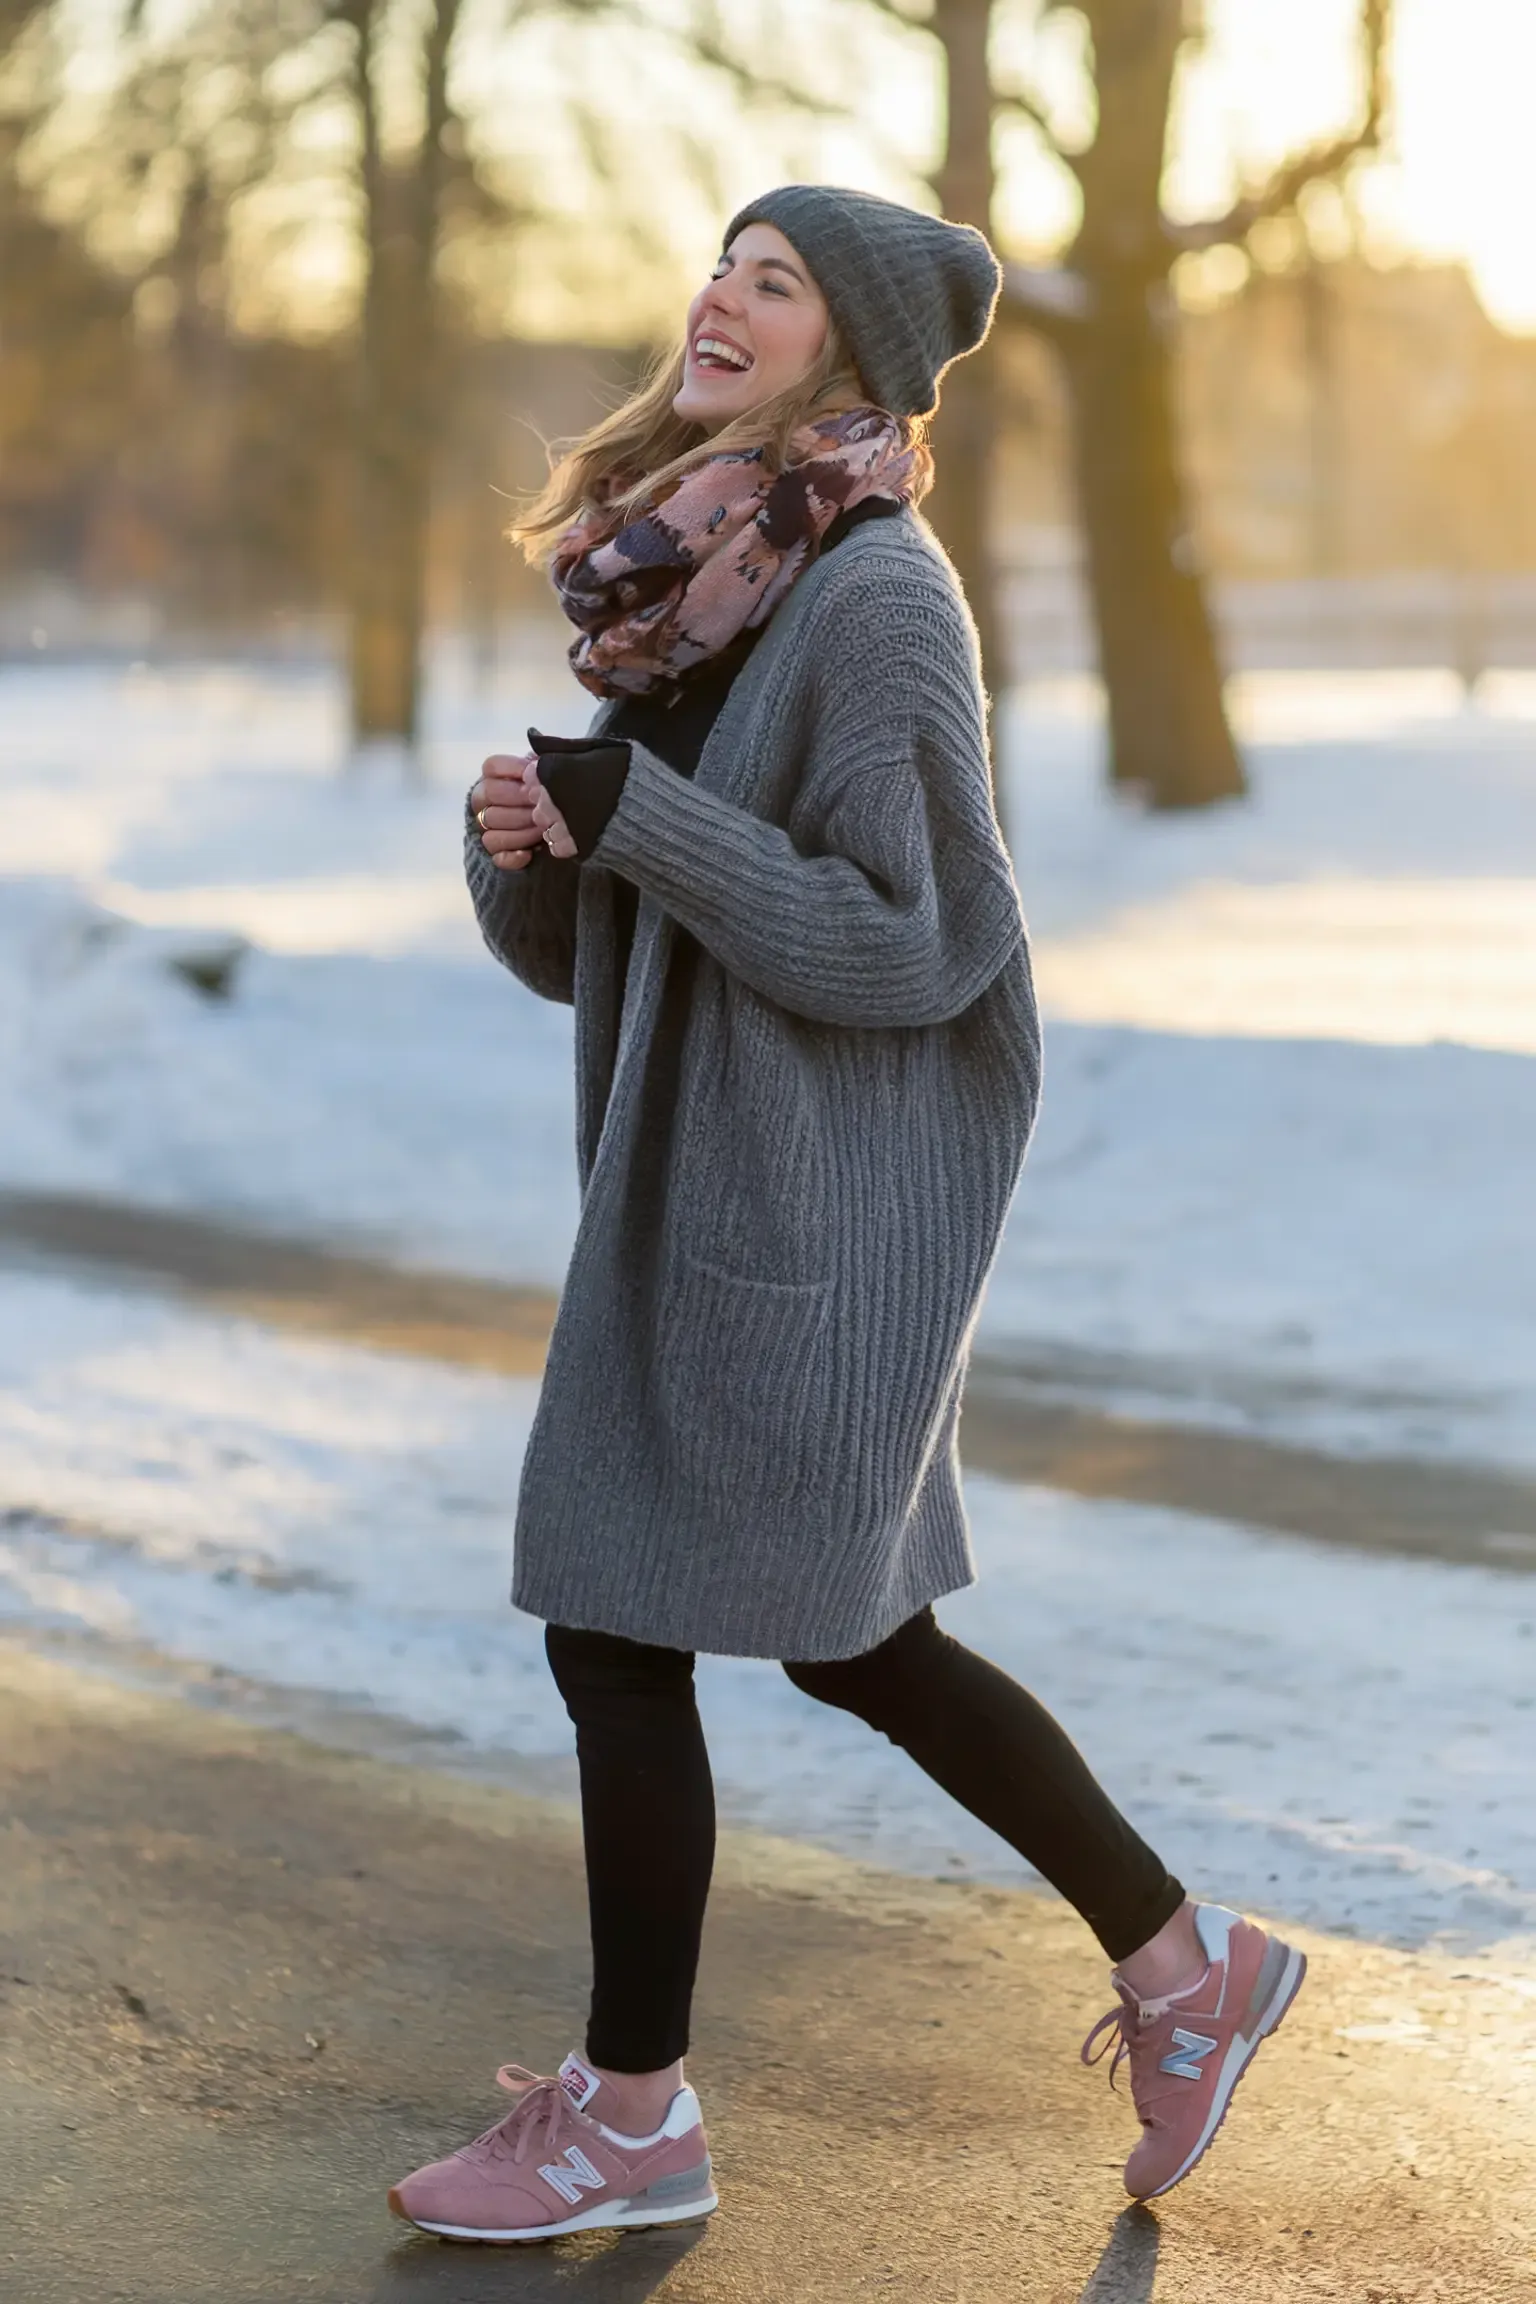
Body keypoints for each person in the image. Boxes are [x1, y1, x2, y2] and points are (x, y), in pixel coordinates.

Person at [388, 184, 1306, 2248]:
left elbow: (915, 947)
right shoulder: (706, 581)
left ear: (857, 352)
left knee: (639, 1628)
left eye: (777, 280)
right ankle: (1182, 1967)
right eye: (726, 261)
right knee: (837, 1640)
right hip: (709, 1184)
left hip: (815, 1213)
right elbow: (625, 948)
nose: (722, 293)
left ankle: (638, 2111)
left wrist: (649, 823)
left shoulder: (876, 599)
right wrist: (542, 852)